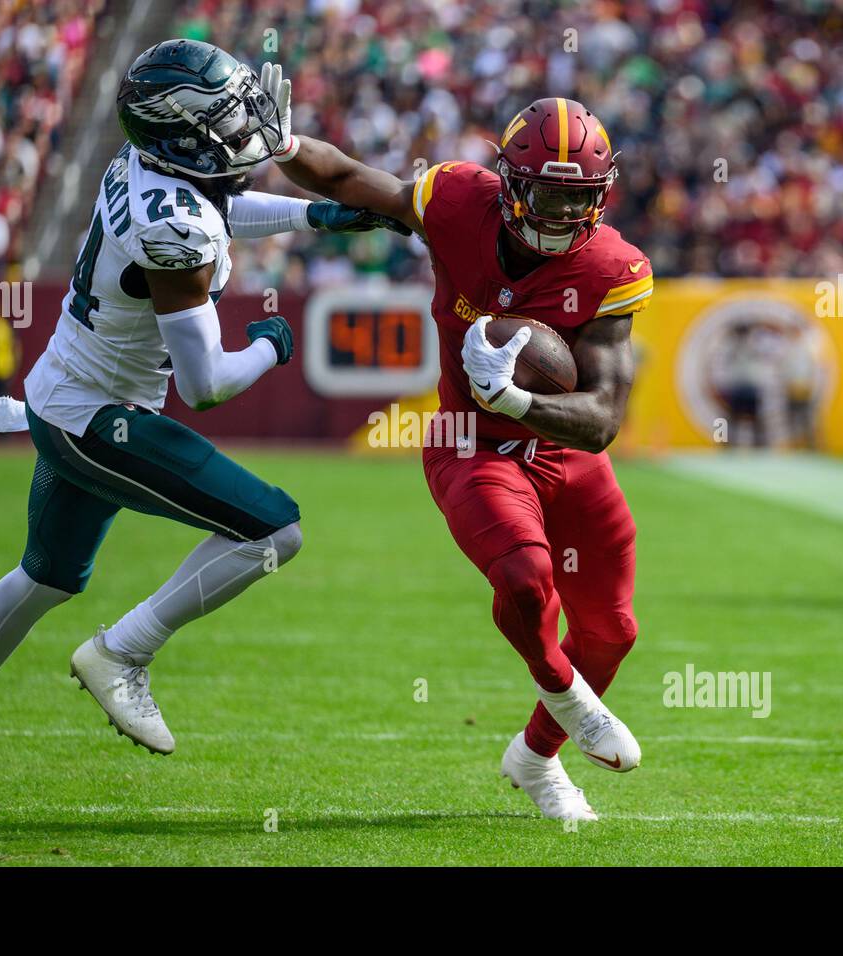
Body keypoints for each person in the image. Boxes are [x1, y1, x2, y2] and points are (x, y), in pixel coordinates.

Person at [0, 40, 405, 817]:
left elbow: (216, 210)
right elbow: (207, 383)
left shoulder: (147, 170)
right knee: (274, 530)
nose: (241, 132)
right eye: (224, 120)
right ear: (182, 133)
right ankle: (122, 651)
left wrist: (314, 215)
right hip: (100, 421)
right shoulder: (175, 224)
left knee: (46, 577)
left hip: (65, 399)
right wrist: (268, 345)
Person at [265, 69, 650, 821]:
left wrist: (517, 397)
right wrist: (284, 144)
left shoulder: (612, 267)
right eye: (550, 193)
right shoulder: (454, 200)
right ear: (510, 185)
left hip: (565, 453)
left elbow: (603, 417)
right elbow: (347, 177)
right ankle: (566, 692)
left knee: (612, 631)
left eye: (581, 196)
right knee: (526, 573)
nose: (567, 210)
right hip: (469, 443)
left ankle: (536, 759)